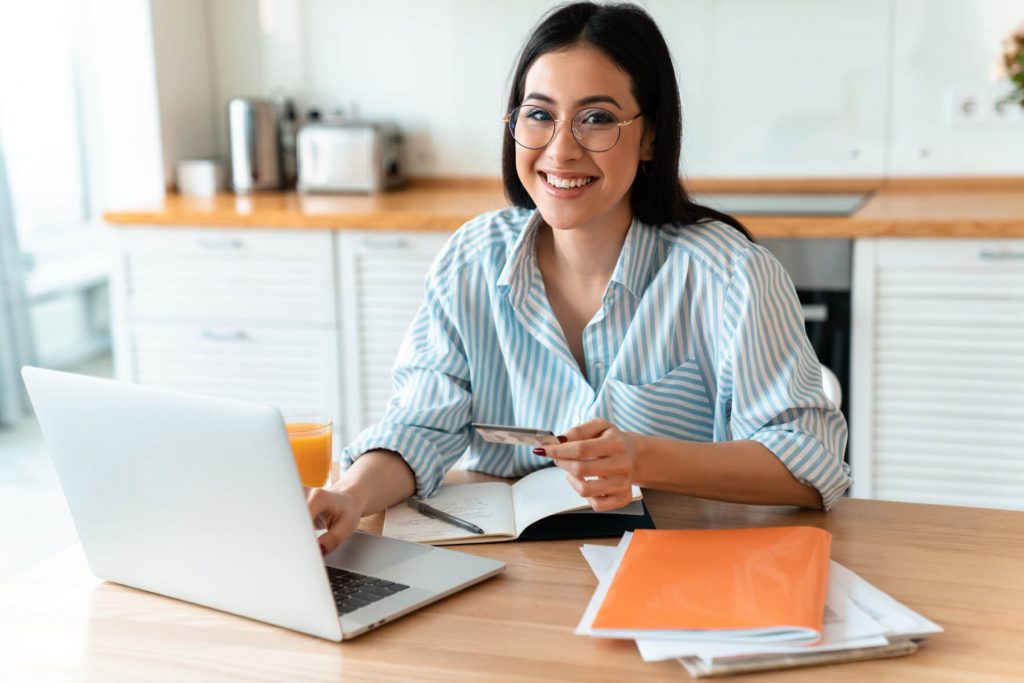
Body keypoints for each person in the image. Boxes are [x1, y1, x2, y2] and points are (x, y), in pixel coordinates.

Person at [309, 2, 851, 554]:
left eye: (596, 119)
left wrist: (643, 458)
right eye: (539, 115)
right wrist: (351, 495)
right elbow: (419, 426)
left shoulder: (731, 277)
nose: (561, 150)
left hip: (676, 567)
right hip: (510, 573)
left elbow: (812, 463)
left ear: (650, 139)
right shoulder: (470, 260)